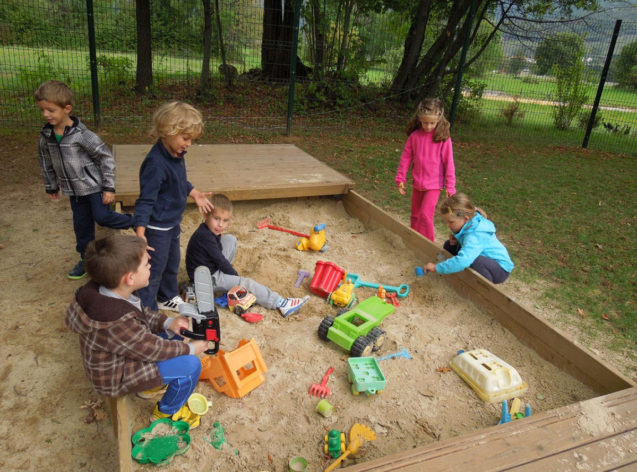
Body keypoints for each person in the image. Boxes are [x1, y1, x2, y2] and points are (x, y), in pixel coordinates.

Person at [65, 234, 208, 428]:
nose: (150, 266)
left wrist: (168, 323)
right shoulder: (116, 321)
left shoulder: (109, 292)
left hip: (120, 357)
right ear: (130, 278)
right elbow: (152, 349)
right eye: (146, 265)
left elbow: (141, 315)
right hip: (116, 377)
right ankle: (167, 412)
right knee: (191, 365)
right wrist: (191, 349)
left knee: (172, 334)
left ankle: (150, 387)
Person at [34, 80, 133, 279]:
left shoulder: (82, 135)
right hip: (73, 191)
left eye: (51, 110)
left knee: (102, 217)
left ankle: (137, 220)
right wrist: (51, 185)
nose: (46, 115)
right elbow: (45, 161)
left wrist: (108, 187)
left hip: (93, 186)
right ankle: (85, 259)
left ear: (67, 109)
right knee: (81, 226)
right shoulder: (46, 136)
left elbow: (105, 158)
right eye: (43, 110)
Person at [134, 101, 214, 312]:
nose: (188, 144)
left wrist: (194, 193)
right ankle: (147, 309)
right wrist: (141, 233)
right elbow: (145, 200)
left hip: (172, 222)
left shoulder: (176, 155)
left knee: (172, 262)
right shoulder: (156, 164)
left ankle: (167, 296)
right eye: (185, 138)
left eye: (191, 140)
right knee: (154, 268)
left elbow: (179, 180)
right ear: (167, 132)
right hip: (157, 227)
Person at [185, 193, 310, 318]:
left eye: (225, 220)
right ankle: (280, 303)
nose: (220, 225)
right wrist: (236, 279)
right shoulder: (205, 236)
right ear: (205, 214)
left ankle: (227, 281)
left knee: (230, 239)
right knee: (246, 283)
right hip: (206, 279)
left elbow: (218, 257)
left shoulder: (210, 230)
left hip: (209, 267)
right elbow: (220, 260)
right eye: (216, 218)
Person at [395, 98, 456, 241]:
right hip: (418, 183)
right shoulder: (414, 136)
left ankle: (428, 243)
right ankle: (413, 239)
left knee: (425, 215)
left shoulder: (443, 139)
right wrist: (400, 178)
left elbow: (449, 163)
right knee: (415, 215)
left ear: (439, 119)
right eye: (425, 122)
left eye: (432, 123)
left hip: (434, 185)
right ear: (419, 120)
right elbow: (406, 158)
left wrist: (450, 186)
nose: (428, 126)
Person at [424, 193, 513, 284]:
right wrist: (458, 241)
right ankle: (458, 273)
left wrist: (436, 268)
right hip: (483, 258)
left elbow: (463, 260)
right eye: (446, 221)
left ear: (465, 219)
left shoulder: (475, 235)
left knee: (474, 261)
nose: (448, 225)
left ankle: (483, 289)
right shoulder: (468, 222)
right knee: (449, 245)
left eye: (451, 222)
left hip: (500, 269)